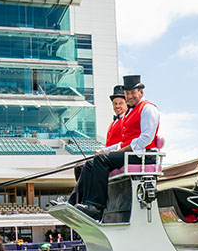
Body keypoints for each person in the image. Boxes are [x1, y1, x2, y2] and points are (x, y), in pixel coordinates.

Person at [74, 75, 160, 221]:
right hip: (132, 154)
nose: (130, 96)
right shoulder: (130, 112)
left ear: (141, 92)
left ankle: (97, 207)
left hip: (143, 156)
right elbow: (123, 142)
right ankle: (86, 204)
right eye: (127, 93)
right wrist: (105, 150)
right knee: (90, 163)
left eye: (132, 92)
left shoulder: (148, 109)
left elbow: (146, 139)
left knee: (101, 160)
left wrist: (120, 151)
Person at [67, 86, 126, 205]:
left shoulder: (126, 120)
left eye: (120, 103)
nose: (117, 106)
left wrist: (105, 151)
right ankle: (81, 200)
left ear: (126, 104)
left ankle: (74, 201)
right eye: (115, 103)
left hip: (117, 156)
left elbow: (124, 142)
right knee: (79, 166)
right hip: (108, 155)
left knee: (87, 165)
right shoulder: (113, 122)